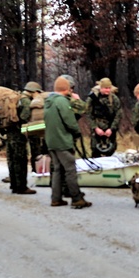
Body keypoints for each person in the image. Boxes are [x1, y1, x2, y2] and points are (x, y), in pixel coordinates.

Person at [44, 76, 91, 209]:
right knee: (70, 170)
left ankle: (56, 198)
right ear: (66, 89)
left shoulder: (49, 101)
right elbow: (70, 121)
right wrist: (77, 132)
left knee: (58, 170)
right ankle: (76, 199)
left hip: (51, 141)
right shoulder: (62, 102)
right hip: (63, 141)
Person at [5, 83, 37, 195]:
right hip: (18, 134)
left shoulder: (16, 98)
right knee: (21, 160)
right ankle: (22, 187)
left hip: (9, 133)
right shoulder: (26, 101)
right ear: (33, 91)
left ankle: (14, 185)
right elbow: (24, 117)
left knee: (12, 160)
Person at [87, 77, 122, 157]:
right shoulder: (93, 99)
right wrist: (95, 128)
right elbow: (89, 114)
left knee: (111, 151)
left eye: (109, 88)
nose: (108, 90)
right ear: (101, 88)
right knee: (95, 151)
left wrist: (112, 128)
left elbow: (118, 115)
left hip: (110, 129)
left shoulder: (114, 99)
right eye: (106, 88)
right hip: (97, 130)